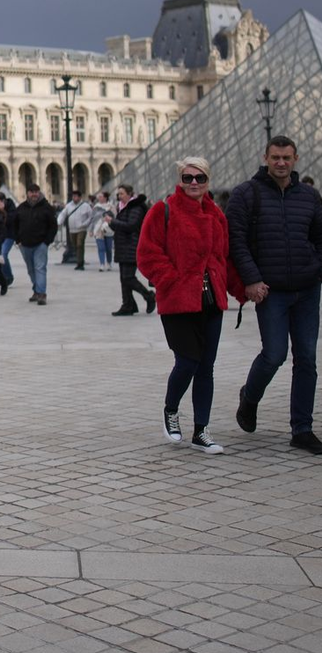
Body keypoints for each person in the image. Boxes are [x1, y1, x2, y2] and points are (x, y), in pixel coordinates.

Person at [138, 156, 239, 454]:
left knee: (206, 367)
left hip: (211, 301)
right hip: (178, 301)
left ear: (208, 181)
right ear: (179, 180)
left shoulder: (216, 214)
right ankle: (171, 410)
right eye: (188, 178)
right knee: (187, 362)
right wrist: (171, 280)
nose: (194, 183)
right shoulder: (163, 210)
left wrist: (241, 288)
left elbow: (224, 256)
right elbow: (147, 253)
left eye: (200, 178)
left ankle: (201, 431)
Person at [231, 136, 322, 453]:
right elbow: (237, 241)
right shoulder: (246, 193)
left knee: (307, 359)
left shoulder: (309, 196)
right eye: (275, 157)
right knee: (274, 355)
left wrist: (316, 268)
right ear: (265, 158)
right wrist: (252, 279)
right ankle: (249, 396)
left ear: (296, 158)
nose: (281, 163)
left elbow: (320, 237)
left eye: (286, 157)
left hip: (307, 289)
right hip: (270, 291)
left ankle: (302, 429)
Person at [109, 185, 155, 316]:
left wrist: (113, 222)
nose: (119, 196)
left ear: (129, 194)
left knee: (128, 278)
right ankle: (128, 305)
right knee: (123, 279)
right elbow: (120, 227)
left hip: (132, 246)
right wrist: (111, 223)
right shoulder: (123, 207)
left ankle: (149, 296)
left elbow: (131, 226)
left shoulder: (135, 207)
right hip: (123, 246)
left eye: (122, 194)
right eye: (118, 194)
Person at [15, 183, 57, 305]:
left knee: (40, 268)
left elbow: (53, 226)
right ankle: (36, 290)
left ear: (39, 193)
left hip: (40, 244)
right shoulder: (21, 208)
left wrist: (47, 241)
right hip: (25, 244)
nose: (34, 194)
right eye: (31, 192)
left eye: (36, 192)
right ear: (27, 193)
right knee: (31, 269)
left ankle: (42, 294)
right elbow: (15, 224)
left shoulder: (46, 207)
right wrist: (18, 240)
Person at [58, 189, 92, 270]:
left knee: (80, 244)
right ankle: (79, 260)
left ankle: (80, 263)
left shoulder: (86, 206)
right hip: (72, 230)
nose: (74, 198)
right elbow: (63, 214)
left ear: (80, 197)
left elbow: (91, 216)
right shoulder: (69, 205)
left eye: (75, 196)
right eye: (73, 196)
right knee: (75, 246)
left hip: (82, 229)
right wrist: (59, 222)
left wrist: (85, 224)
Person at [0, 193, 17, 286]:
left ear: (3, 200)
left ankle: (8, 277)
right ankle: (4, 277)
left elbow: (10, 220)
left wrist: (3, 211)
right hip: (0, 235)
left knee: (3, 254)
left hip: (9, 235)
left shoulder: (11, 207)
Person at [89, 190, 115, 271]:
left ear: (105, 198)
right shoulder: (96, 207)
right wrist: (91, 230)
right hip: (98, 229)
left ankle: (109, 263)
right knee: (101, 248)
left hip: (108, 229)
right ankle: (102, 264)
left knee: (108, 248)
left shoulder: (111, 207)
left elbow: (115, 217)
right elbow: (92, 219)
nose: (99, 198)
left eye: (101, 197)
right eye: (99, 197)